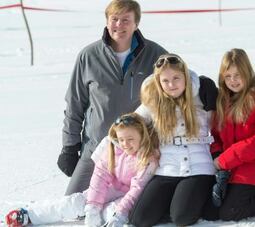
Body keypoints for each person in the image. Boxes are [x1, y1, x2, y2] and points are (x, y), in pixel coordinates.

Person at [57, 0, 167, 196]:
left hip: (139, 152)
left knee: (134, 208)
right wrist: (69, 146)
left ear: (136, 23)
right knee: (73, 203)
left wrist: (202, 88)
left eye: (126, 20)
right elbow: (75, 105)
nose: (119, 25)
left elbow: (179, 81)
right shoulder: (89, 56)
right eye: (114, 19)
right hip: (97, 150)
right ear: (107, 22)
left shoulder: (155, 55)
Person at [5, 113, 159, 227]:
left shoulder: (148, 158)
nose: (125, 144)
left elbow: (136, 190)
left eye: (130, 139)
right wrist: (93, 206)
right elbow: (99, 178)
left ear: (142, 136)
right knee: (75, 202)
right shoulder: (113, 149)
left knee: (111, 212)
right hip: (110, 189)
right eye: (121, 139)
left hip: (129, 197)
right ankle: (30, 214)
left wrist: (119, 214)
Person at [128, 53, 218, 226]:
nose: (171, 85)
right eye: (165, 81)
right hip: (166, 169)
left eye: (176, 78)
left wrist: (214, 93)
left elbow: (230, 109)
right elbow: (129, 125)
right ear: (158, 83)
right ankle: (176, 201)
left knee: (182, 218)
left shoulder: (202, 95)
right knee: (139, 219)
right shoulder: (154, 103)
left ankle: (199, 199)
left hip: (197, 168)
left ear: (185, 75)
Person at [202, 48, 255, 222]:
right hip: (230, 168)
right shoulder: (222, 100)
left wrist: (225, 160)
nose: (233, 81)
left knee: (230, 213)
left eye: (238, 75)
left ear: (247, 73)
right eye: (228, 76)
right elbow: (215, 136)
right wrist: (217, 155)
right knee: (209, 211)